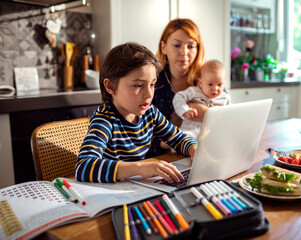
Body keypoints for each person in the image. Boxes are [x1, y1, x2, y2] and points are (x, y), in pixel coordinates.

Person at [75, 42, 197, 183]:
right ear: (110, 86)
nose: (148, 94)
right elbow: (83, 167)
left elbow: (177, 138)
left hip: (138, 188)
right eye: (138, 85)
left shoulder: (150, 113)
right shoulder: (104, 120)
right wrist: (139, 168)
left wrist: (193, 148)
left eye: (152, 84)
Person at [148, 18, 207, 157]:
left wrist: (206, 111)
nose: (184, 52)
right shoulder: (151, 83)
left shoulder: (206, 79)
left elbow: (226, 114)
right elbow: (137, 134)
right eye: (176, 45)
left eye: (191, 46)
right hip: (162, 160)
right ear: (163, 47)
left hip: (202, 155)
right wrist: (176, 143)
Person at [172, 60, 231, 140]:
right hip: (190, 129)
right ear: (200, 83)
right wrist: (185, 110)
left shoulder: (225, 98)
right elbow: (178, 97)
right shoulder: (194, 91)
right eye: (210, 84)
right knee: (182, 140)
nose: (215, 88)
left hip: (212, 132)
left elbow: (230, 115)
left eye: (220, 85)